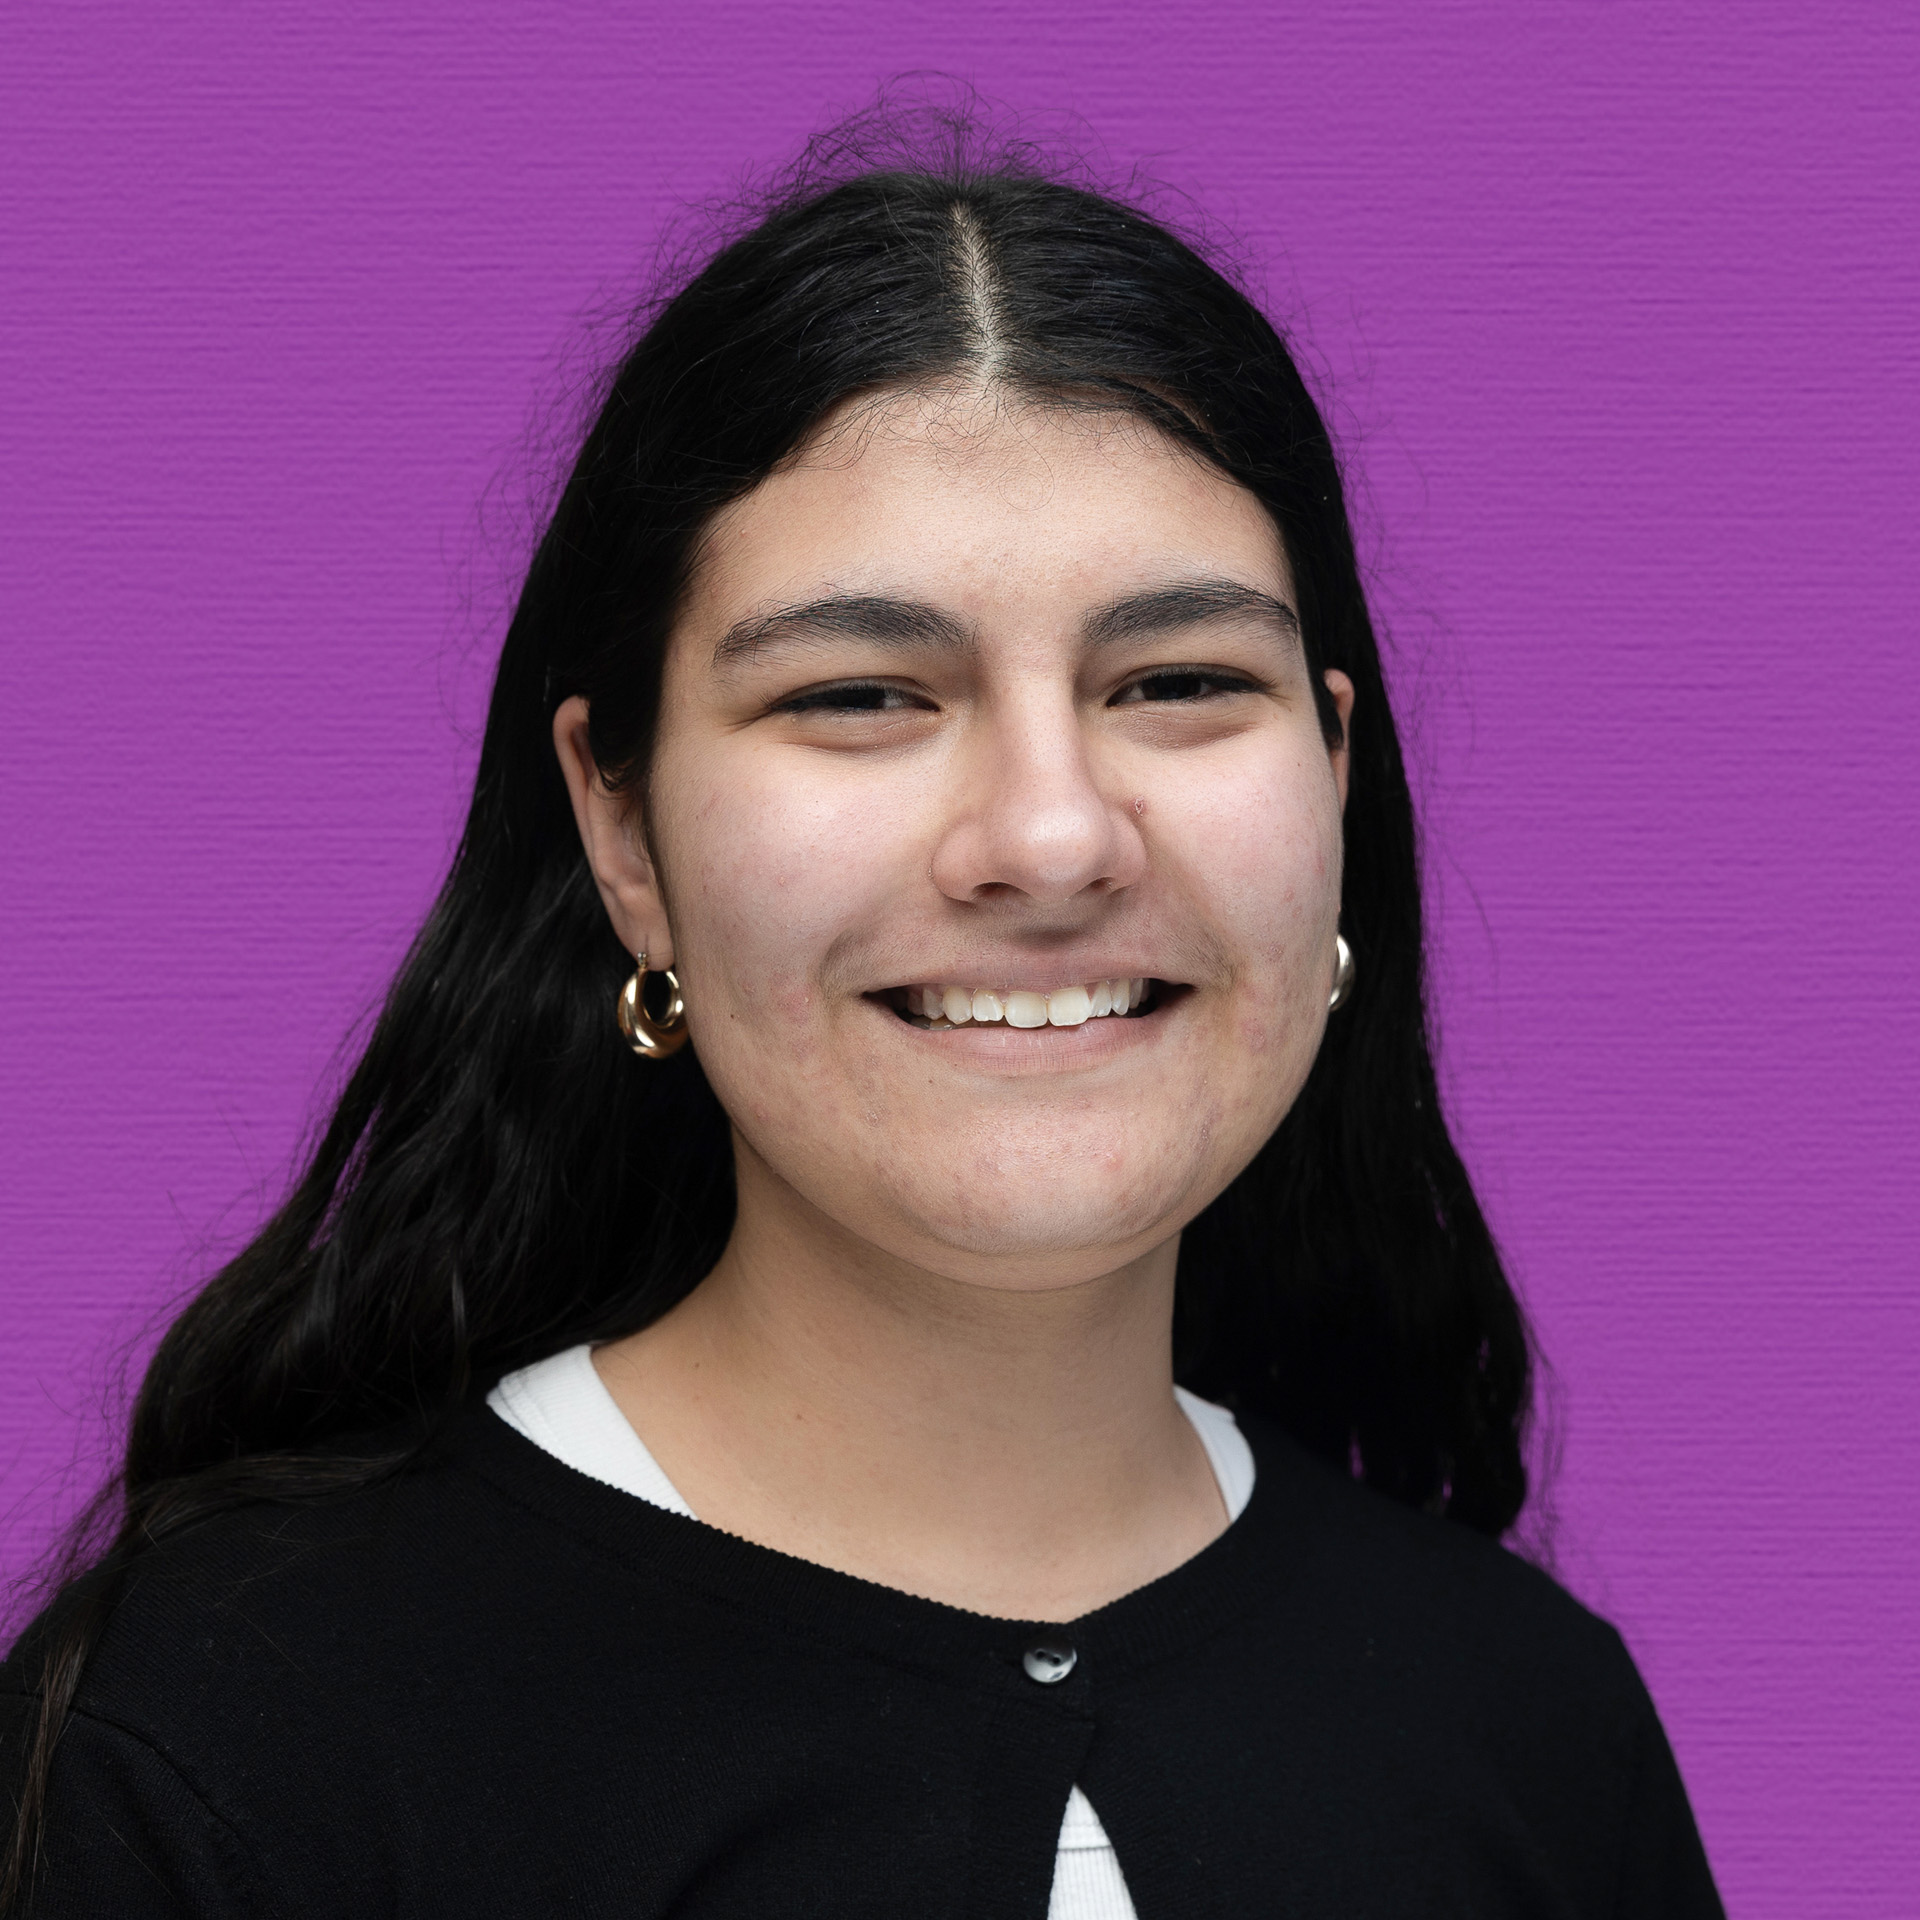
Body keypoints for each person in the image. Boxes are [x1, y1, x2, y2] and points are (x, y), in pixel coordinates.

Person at [0, 134, 1723, 1917]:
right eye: (858, 695)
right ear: (623, 829)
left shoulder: (1532, 1724)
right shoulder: (216, 1742)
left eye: (1181, 683)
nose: (1052, 837)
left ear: (1337, 775)